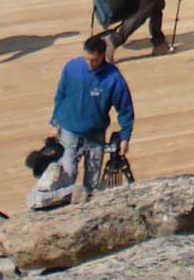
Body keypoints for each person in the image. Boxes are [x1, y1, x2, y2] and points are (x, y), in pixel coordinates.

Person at [28, 34, 135, 209]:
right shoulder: (72, 68)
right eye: (86, 58)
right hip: (69, 132)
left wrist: (125, 136)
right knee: (67, 176)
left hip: (95, 136)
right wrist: (55, 123)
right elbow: (60, 95)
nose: (89, 63)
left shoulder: (113, 78)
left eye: (93, 60)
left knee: (92, 183)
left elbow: (125, 108)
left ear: (102, 56)